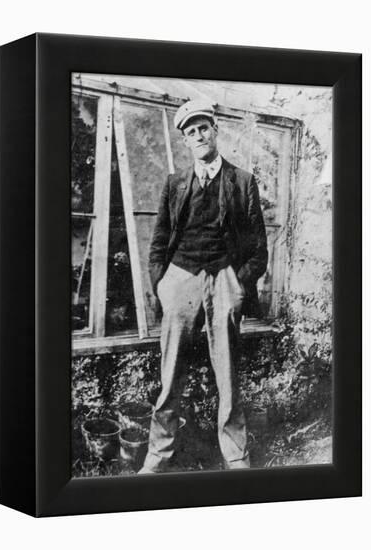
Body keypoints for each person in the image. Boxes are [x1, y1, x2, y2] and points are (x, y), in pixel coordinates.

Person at [139, 99, 268, 474]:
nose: (198, 136)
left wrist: (240, 284)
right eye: (190, 132)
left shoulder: (242, 181)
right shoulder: (175, 183)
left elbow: (258, 246)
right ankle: (158, 454)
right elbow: (159, 239)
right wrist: (162, 284)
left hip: (225, 275)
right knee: (170, 369)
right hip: (180, 276)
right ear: (185, 140)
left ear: (215, 130)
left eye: (203, 128)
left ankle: (235, 455)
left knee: (227, 370)